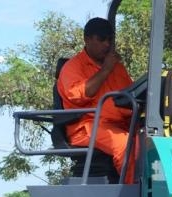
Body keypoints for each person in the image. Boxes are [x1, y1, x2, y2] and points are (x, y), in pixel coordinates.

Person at [57, 17, 137, 183]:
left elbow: (131, 95)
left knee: (152, 139)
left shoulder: (117, 67)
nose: (107, 44)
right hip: (87, 127)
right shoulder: (72, 67)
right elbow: (79, 95)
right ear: (87, 39)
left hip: (121, 124)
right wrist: (106, 69)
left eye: (109, 39)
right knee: (125, 145)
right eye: (101, 39)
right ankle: (135, 195)